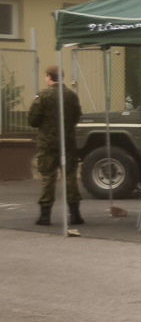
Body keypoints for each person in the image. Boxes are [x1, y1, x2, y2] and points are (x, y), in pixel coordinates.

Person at [28, 63, 83, 226]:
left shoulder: (42, 96)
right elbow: (77, 115)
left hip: (48, 144)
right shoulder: (72, 95)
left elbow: (33, 120)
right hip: (68, 142)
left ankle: (45, 216)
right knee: (70, 176)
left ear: (49, 77)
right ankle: (75, 214)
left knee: (48, 177)